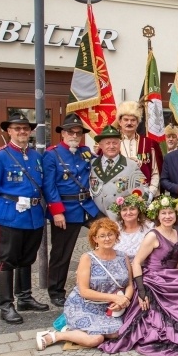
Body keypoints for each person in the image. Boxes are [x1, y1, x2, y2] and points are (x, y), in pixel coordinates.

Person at [101, 196, 178, 356]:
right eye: (163, 213)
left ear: (176, 215)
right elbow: (137, 262)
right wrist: (142, 291)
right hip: (153, 278)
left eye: (170, 213)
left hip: (172, 276)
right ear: (157, 216)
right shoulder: (152, 235)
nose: (167, 216)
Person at [0, 113, 48, 324]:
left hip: (33, 216)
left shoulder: (36, 157)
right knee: (7, 260)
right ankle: (6, 304)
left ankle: (25, 298)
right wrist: (1, 208)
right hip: (9, 215)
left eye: (25, 129)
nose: (22, 132)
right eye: (17, 128)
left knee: (27, 258)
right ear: (8, 131)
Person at [35, 218, 133, 350]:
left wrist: (125, 299)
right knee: (95, 339)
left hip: (109, 308)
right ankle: (56, 335)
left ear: (116, 236)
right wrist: (115, 298)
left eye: (110, 234)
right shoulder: (88, 258)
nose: (107, 239)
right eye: (102, 236)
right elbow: (84, 291)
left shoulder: (123, 256)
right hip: (84, 305)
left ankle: (75, 330)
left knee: (117, 333)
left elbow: (130, 284)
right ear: (95, 239)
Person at [44, 113, 103, 307]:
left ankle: (107, 278)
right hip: (66, 209)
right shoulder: (52, 155)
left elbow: (100, 167)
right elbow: (49, 185)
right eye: (71, 132)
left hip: (87, 206)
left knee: (109, 233)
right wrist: (56, 211)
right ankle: (56, 290)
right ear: (63, 133)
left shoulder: (85, 152)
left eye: (79, 133)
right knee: (62, 252)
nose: (75, 136)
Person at [90, 125, 149, 219]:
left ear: (120, 144)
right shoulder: (91, 165)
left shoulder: (131, 165)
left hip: (123, 218)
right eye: (107, 143)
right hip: (98, 218)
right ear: (101, 145)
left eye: (115, 143)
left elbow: (142, 191)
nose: (111, 146)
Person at [115, 101, 163, 201]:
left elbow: (155, 172)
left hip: (145, 196)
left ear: (138, 122)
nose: (129, 123)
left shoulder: (149, 143)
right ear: (120, 122)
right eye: (126, 120)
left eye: (133, 120)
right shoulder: (112, 144)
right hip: (120, 196)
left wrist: (150, 192)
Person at [111, 194, 154, 259]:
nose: (128, 213)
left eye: (132, 209)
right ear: (120, 212)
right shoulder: (114, 228)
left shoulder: (149, 227)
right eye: (124, 209)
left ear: (138, 211)